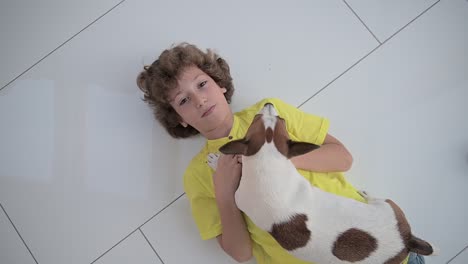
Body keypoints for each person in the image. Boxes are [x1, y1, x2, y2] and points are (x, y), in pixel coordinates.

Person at [136, 43, 424, 264]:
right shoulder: (198, 174)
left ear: (220, 84)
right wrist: (225, 194)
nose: (199, 100)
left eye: (202, 84)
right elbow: (241, 252)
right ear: (179, 118)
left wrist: (272, 159)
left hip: (381, 248)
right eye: (184, 100)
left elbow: (343, 158)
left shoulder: (270, 111)